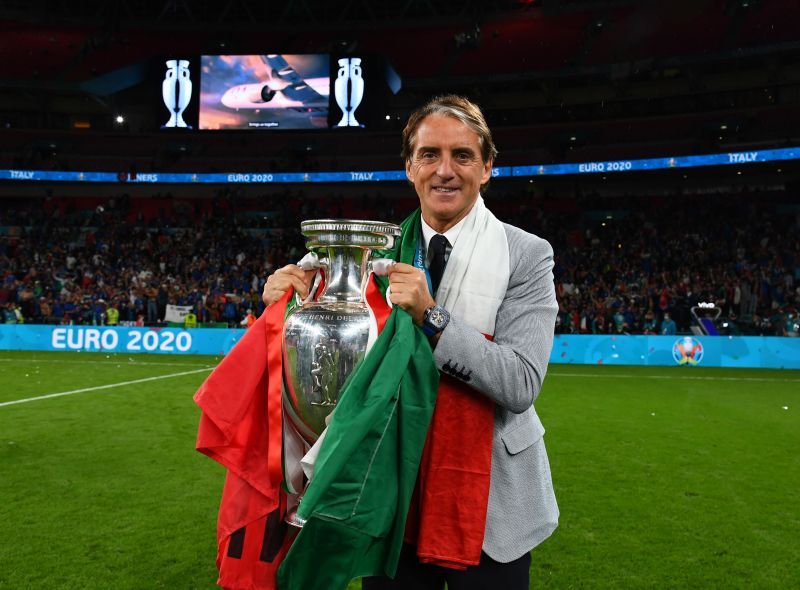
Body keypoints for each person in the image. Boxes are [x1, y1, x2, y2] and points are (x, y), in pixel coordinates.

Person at [263, 95, 559, 590]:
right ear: (409, 167)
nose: (445, 170)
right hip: (390, 489)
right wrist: (283, 309)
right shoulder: (368, 256)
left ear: (486, 167)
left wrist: (432, 318)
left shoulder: (526, 255)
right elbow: (329, 376)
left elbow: (520, 382)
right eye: (429, 155)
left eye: (462, 155)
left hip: (491, 507)